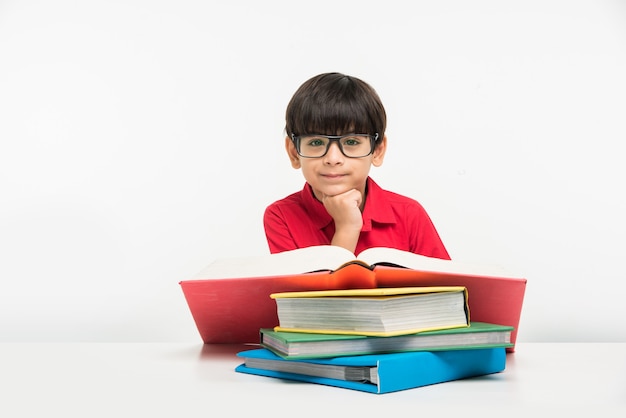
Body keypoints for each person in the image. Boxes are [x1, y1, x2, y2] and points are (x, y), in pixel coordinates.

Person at [263, 72, 450, 260]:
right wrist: (347, 227)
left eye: (351, 142)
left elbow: (451, 287)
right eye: (316, 143)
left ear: (377, 151)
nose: (333, 158)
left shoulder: (409, 215)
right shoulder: (281, 217)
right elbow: (312, 291)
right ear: (294, 153)